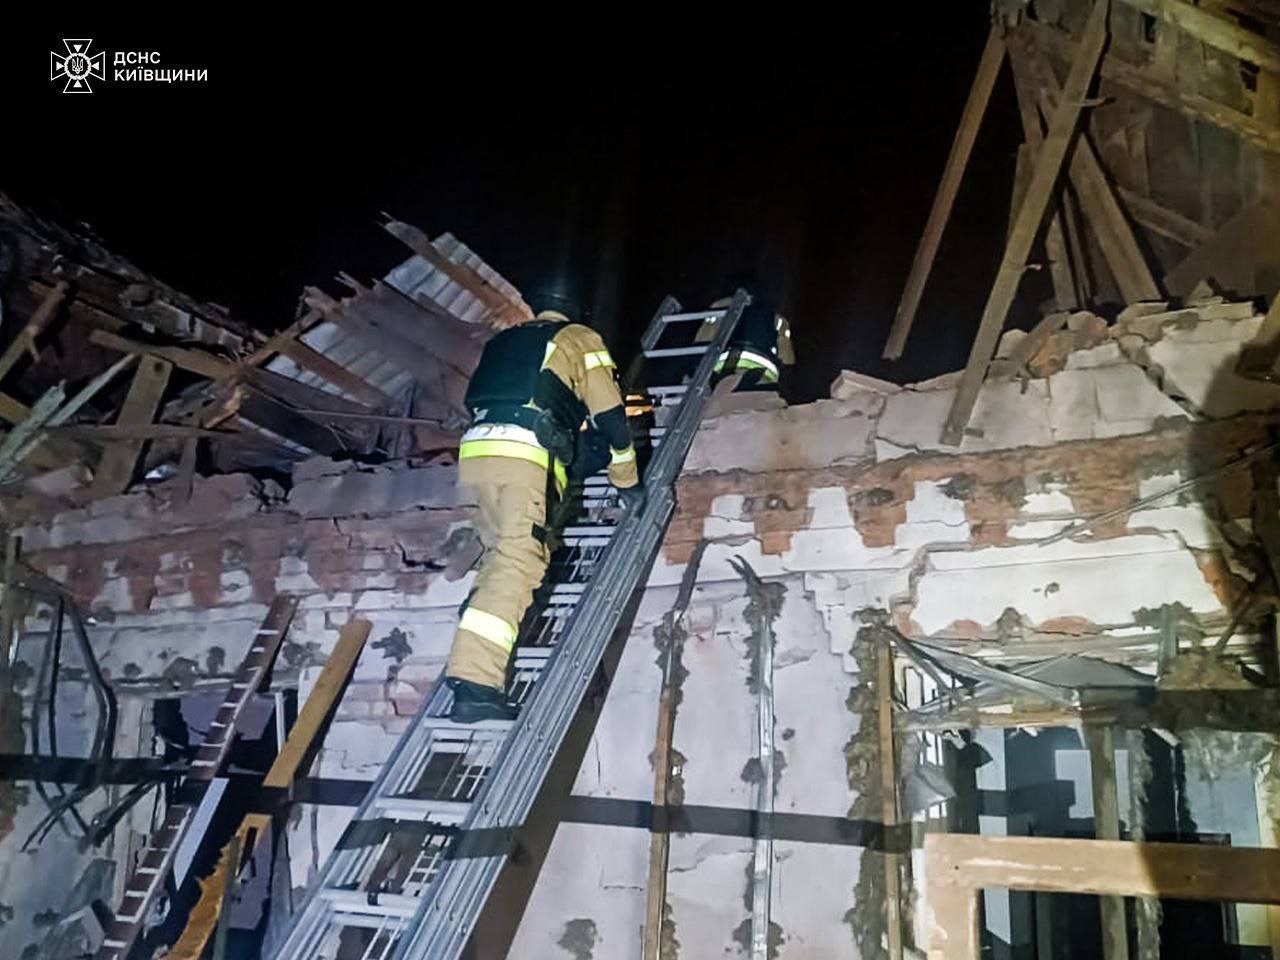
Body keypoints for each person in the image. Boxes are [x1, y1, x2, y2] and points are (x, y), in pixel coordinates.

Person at [444, 303, 643, 722]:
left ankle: (468, 668)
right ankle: (476, 683)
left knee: (498, 557)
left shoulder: (505, 341)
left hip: (477, 453)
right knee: (520, 559)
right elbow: (610, 414)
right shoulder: (578, 338)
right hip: (522, 455)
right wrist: (626, 479)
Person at [699, 289, 794, 392]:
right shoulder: (777, 318)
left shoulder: (719, 306)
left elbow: (702, 339)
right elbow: (787, 358)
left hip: (724, 372)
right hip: (762, 378)